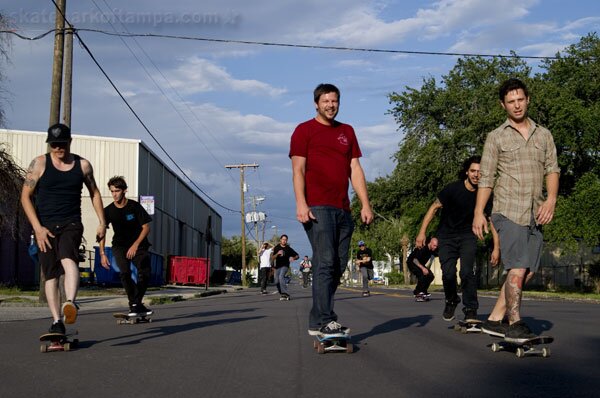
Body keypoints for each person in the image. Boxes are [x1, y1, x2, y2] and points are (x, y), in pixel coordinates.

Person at [473, 78, 560, 343]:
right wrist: (478, 212)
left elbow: (552, 169)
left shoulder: (543, 134)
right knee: (518, 266)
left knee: (527, 270)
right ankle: (516, 322)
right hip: (507, 210)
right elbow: (486, 178)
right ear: (503, 105)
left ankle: (494, 319)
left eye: (520, 99)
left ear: (528, 100)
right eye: (511, 102)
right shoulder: (496, 137)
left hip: (535, 211)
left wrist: (551, 200)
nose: (517, 105)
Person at [290, 83, 373, 337]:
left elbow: (355, 169)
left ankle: (317, 320)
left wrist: (365, 203)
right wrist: (301, 203)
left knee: (337, 265)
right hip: (317, 207)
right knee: (325, 262)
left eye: (334, 101)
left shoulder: (347, 131)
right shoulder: (304, 131)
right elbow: (298, 170)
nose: (330, 105)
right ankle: (327, 319)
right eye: (325, 101)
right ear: (316, 103)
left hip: (343, 209)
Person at [21, 123, 106, 334]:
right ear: (50, 145)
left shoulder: (83, 165)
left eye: (62, 144)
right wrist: (37, 228)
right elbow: (25, 197)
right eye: (55, 145)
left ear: (70, 142)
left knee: (68, 257)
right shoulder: (39, 164)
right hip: (45, 226)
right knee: (50, 274)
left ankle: (70, 302)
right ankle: (57, 320)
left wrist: (102, 222)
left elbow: (95, 193)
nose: (59, 148)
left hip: (71, 223)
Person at [416, 155, 493, 322]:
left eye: (480, 172)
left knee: (467, 273)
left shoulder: (485, 194)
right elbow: (434, 208)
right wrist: (422, 232)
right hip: (446, 236)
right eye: (473, 171)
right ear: (467, 172)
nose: (476, 175)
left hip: (468, 236)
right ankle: (451, 300)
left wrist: (497, 247)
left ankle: (471, 309)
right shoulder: (452, 189)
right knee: (449, 274)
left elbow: (491, 219)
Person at [99, 176, 153, 317]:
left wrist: (135, 245)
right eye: (112, 191)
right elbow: (102, 231)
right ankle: (135, 304)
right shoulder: (109, 211)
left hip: (138, 245)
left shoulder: (134, 206)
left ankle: (136, 303)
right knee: (125, 272)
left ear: (124, 191)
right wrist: (102, 254)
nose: (114, 194)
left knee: (145, 271)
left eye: (117, 191)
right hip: (120, 246)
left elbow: (146, 227)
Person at [407, 236, 439, 302]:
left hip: (420, 264)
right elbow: (415, 260)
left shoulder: (432, 250)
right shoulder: (423, 248)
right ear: (430, 243)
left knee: (430, 276)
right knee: (422, 275)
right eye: (434, 246)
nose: (435, 247)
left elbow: (439, 254)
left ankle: (423, 292)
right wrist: (423, 269)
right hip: (412, 262)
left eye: (436, 246)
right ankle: (418, 293)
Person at [270, 234, 299, 300]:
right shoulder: (277, 247)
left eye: (285, 240)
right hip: (277, 266)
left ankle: (285, 293)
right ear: (280, 240)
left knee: (281, 276)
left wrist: (293, 258)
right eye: (283, 239)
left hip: (285, 266)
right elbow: (272, 258)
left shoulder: (288, 248)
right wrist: (277, 253)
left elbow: (297, 256)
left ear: (287, 241)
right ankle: (282, 294)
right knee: (276, 281)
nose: (284, 241)